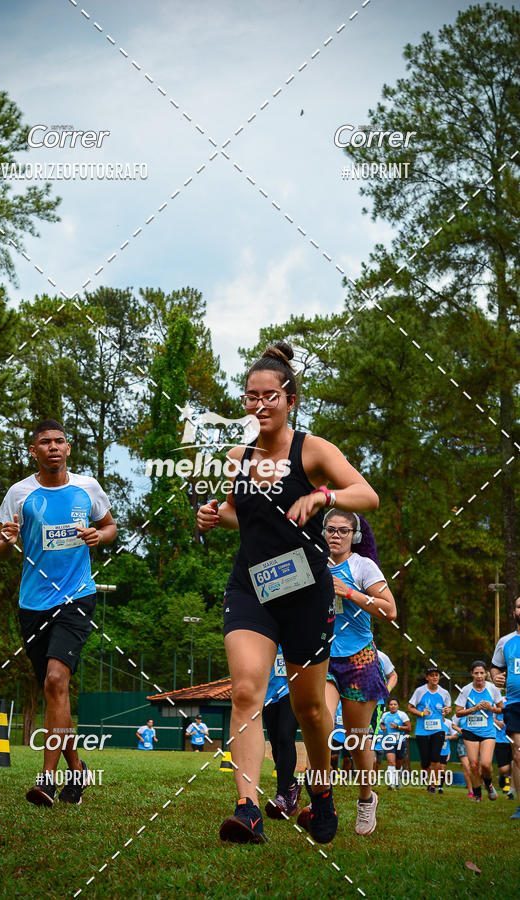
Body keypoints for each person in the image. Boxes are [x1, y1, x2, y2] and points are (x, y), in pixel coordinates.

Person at [197, 341, 380, 845]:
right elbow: (240, 514)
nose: (258, 405)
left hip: (306, 590)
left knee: (311, 710)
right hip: (252, 586)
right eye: (250, 396)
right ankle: (248, 809)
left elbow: (368, 495)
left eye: (269, 396)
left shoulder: (313, 449)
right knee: (247, 690)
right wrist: (213, 516)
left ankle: (320, 794)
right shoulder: (237, 457)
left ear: (290, 400)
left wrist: (323, 495)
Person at [0, 419, 117, 807]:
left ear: (68, 449)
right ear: (34, 451)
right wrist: (5, 540)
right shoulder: (20, 493)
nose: (53, 447)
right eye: (44, 442)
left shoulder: (88, 489)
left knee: (55, 680)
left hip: (77, 598)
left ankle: (47, 780)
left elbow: (110, 526)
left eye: (59, 441)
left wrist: (101, 536)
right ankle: (77, 770)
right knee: (54, 692)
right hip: (32, 604)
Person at [300, 510, 395, 837]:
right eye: (330, 529)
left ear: (354, 536)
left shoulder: (362, 566)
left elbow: (390, 611)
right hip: (322, 657)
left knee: (356, 741)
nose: (335, 535)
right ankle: (321, 799)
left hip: (358, 659)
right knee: (318, 720)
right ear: (322, 531)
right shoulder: (312, 561)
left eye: (343, 530)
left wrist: (350, 592)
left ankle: (366, 799)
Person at [454, 660, 503, 802]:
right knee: (473, 764)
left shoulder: (493, 689)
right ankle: (477, 795)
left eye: (482, 673)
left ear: (486, 673)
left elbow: (501, 708)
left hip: (488, 731)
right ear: (471, 674)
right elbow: (458, 713)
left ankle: (488, 784)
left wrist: (491, 708)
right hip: (470, 731)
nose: (480, 676)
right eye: (476, 673)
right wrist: (474, 709)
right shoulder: (466, 690)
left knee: (486, 764)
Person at [262, 644, 301, 819]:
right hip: (269, 690)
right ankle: (292, 784)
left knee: (286, 736)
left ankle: (282, 796)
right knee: (276, 745)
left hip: (292, 687)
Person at [491, 595, 520, 820]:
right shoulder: (506, 641)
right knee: (518, 754)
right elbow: (495, 668)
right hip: (514, 703)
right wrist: (496, 678)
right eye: (519, 606)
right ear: (514, 612)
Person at [408, 667, 452, 794]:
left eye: (437, 675)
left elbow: (448, 708)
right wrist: (422, 713)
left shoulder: (444, 693)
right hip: (422, 730)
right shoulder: (419, 691)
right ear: (427, 677)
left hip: (438, 729)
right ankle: (426, 773)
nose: (434, 677)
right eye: (432, 675)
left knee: (435, 758)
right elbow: (410, 708)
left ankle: (432, 785)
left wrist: (447, 710)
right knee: (425, 760)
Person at [380, 698, 410, 789]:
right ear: (388, 706)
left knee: (398, 764)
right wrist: (383, 727)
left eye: (395, 704)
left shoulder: (402, 715)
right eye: (391, 704)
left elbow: (409, 728)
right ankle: (392, 784)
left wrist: (398, 727)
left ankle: (398, 780)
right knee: (391, 762)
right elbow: (381, 723)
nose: (393, 706)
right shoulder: (385, 715)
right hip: (388, 741)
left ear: (398, 706)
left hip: (400, 742)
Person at [494, 698, 514, 799]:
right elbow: (490, 717)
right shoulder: (499, 701)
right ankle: (502, 777)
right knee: (504, 769)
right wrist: (497, 722)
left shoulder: (516, 701)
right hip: (500, 739)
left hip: (514, 739)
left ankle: (509, 789)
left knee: (513, 765)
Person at [451, 715, 474, 799]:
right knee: (466, 767)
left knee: (475, 767)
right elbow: (453, 725)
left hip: (476, 740)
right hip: (462, 741)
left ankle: (478, 787)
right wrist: (460, 730)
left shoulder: (478, 709)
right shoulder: (460, 711)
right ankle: (471, 791)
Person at [438, 716, 456, 793]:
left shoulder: (449, 723)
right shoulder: (432, 721)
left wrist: (448, 737)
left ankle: (440, 787)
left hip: (445, 750)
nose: (441, 714)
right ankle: (432, 784)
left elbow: (455, 736)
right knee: (435, 767)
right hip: (434, 749)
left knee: (442, 768)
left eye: (443, 712)